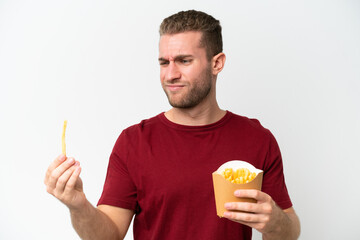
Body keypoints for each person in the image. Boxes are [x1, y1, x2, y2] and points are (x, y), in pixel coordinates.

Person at [44, 10, 300, 240]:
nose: (170, 74)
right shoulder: (134, 142)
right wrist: (78, 206)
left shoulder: (257, 139)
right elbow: (108, 236)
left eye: (184, 61)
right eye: (164, 63)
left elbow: (289, 231)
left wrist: (276, 222)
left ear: (217, 63)